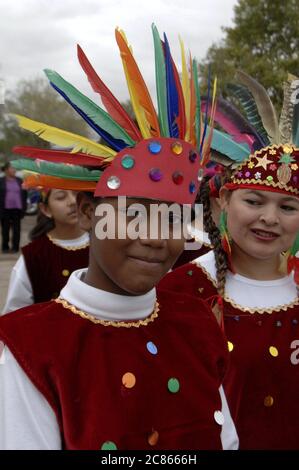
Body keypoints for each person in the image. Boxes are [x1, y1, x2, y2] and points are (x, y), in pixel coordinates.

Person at [0, 26, 238, 450]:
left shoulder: (198, 322)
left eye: (172, 220)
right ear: (90, 213)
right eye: (133, 215)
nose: (155, 239)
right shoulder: (29, 347)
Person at [159, 71, 299, 449]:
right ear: (221, 201)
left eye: (288, 206)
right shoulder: (180, 292)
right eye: (254, 201)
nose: (270, 218)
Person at [2, 188, 89, 313]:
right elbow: (15, 314)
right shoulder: (34, 256)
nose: (72, 201)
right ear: (45, 209)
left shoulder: (104, 245)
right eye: (61, 197)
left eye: (77, 194)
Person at [0, 162, 27, 253]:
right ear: (6, 170)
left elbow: (24, 195)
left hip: (17, 209)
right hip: (4, 209)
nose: (14, 170)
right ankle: (5, 247)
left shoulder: (20, 180)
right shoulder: (1, 181)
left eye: (15, 168)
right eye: (12, 168)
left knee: (16, 230)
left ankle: (15, 247)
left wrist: (24, 208)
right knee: (5, 230)